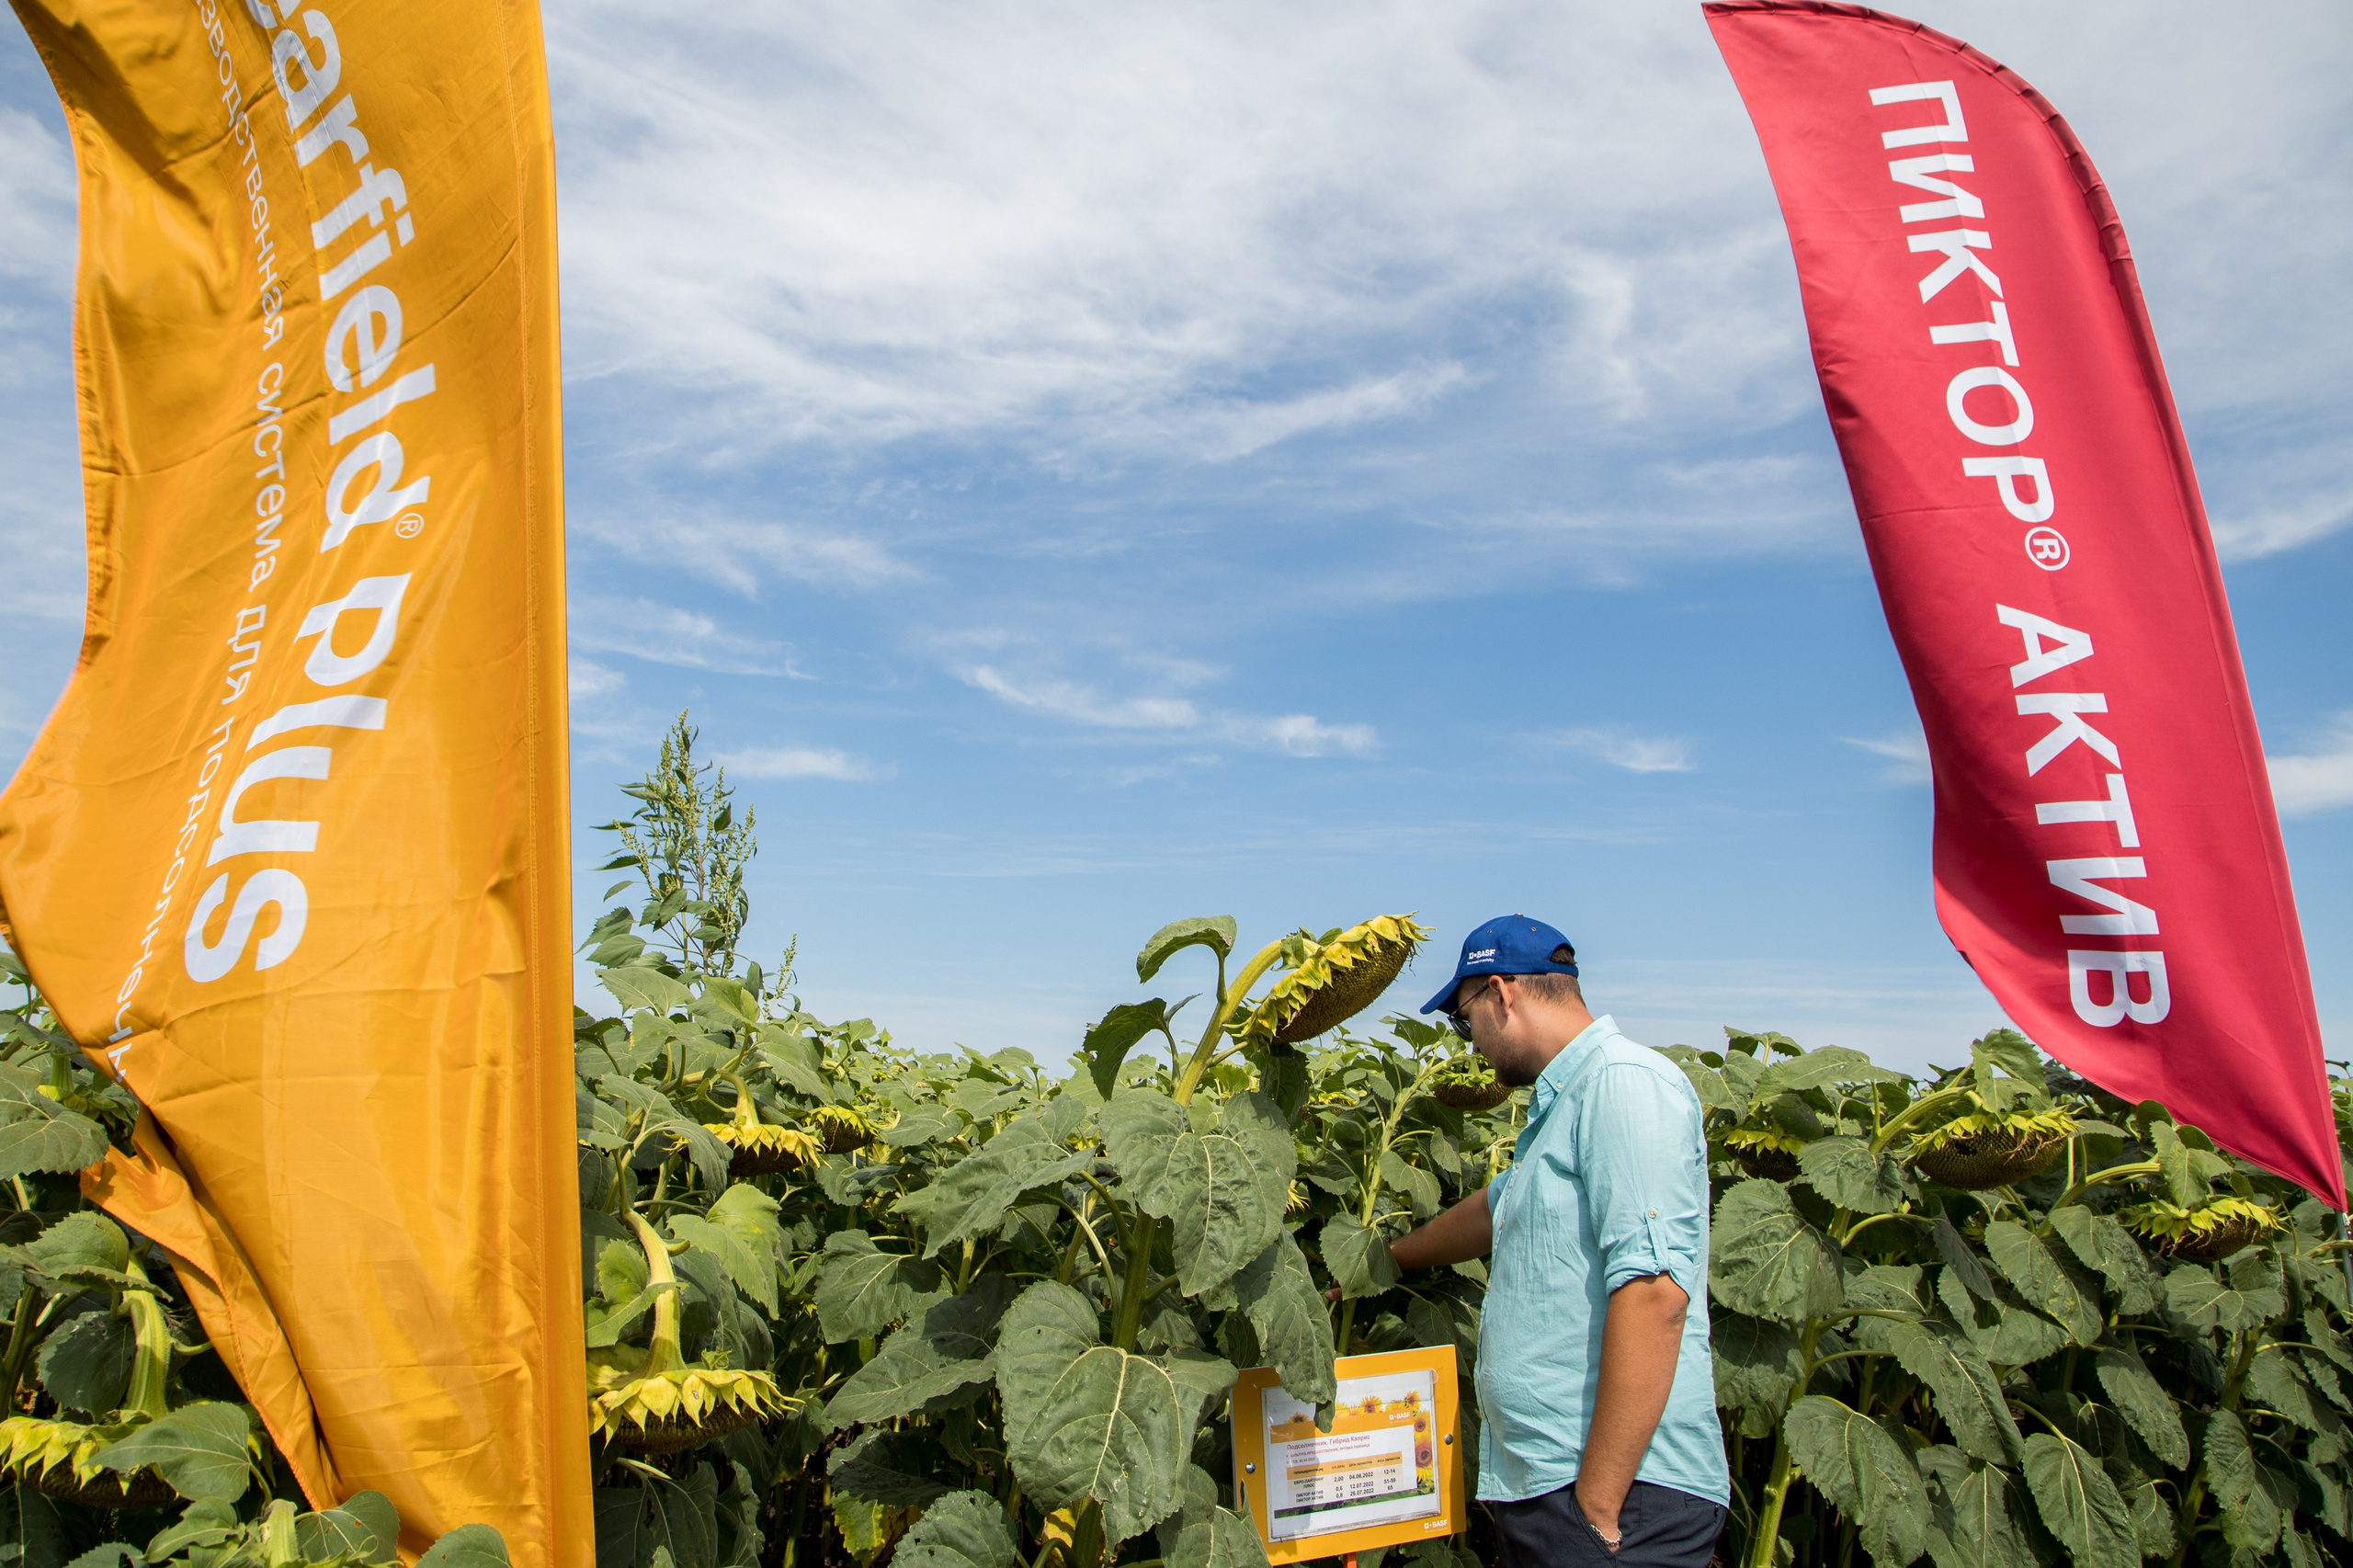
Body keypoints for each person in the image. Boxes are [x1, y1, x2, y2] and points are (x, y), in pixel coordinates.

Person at [1392, 915, 1727, 1565]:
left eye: (1465, 1021)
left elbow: (1656, 1294)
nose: (1471, 1045)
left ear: (1501, 994)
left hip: (1621, 1499)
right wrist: (1387, 1259)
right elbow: (1497, 1209)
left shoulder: (1622, 1083)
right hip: (1560, 1488)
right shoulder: (1564, 1104)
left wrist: (1596, 1510)